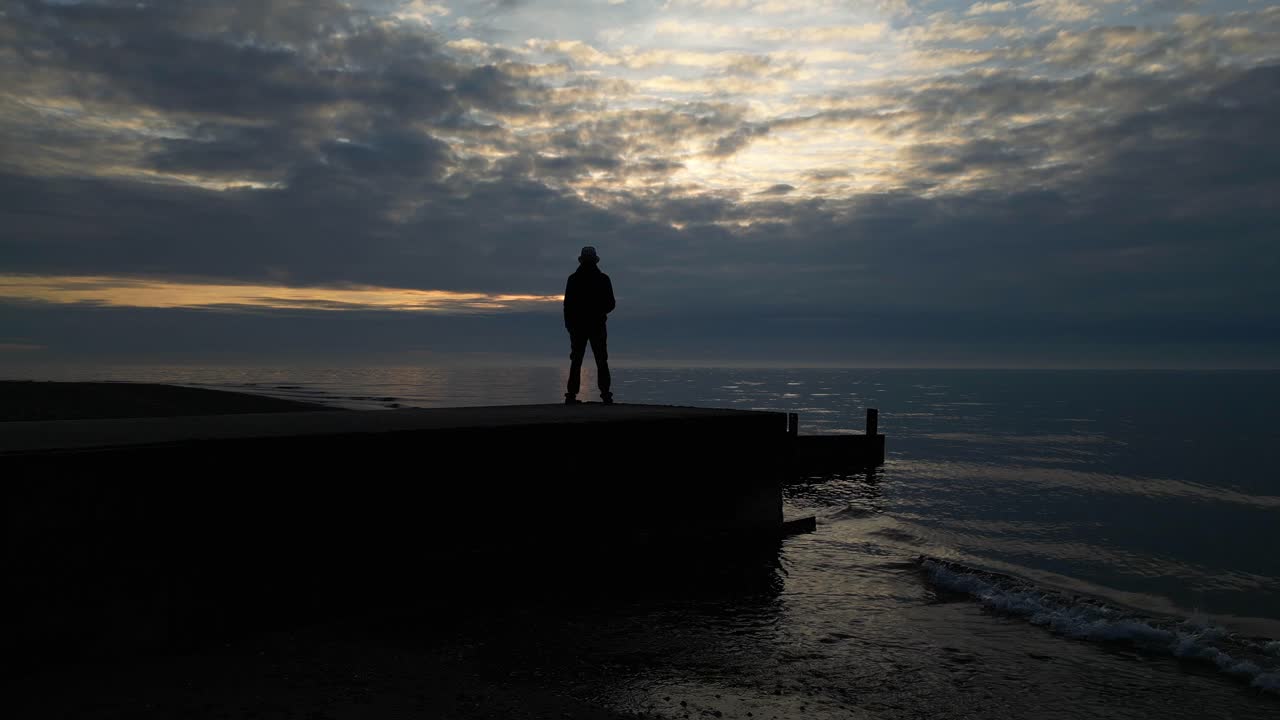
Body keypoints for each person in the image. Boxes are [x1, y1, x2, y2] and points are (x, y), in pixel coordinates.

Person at [563, 246, 615, 405]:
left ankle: (572, 395)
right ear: (594, 260)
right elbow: (611, 304)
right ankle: (605, 394)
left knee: (577, 359)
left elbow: (568, 306)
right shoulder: (603, 279)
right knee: (601, 359)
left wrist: (570, 325)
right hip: (596, 325)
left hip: (579, 326)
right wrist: (599, 312)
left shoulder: (573, 279)